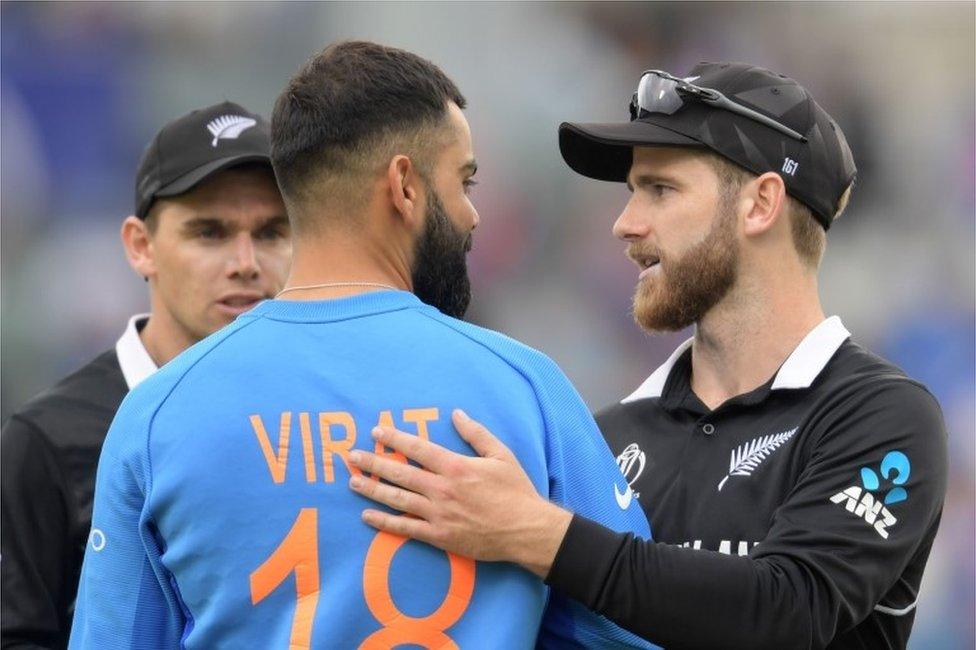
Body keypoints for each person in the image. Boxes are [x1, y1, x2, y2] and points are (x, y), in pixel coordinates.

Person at [68, 41, 654, 649]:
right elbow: (634, 629)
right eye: (465, 180)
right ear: (403, 185)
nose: (474, 215)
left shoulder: (157, 414)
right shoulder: (524, 387)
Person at [347, 62, 949, 649]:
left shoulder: (882, 416)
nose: (625, 224)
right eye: (633, 192)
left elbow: (789, 610)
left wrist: (536, 533)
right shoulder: (601, 436)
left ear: (761, 204)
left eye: (660, 189)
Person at [1, 100, 290, 649]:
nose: (246, 261)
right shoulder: (48, 442)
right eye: (210, 232)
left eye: (273, 232)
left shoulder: (318, 417)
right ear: (141, 247)